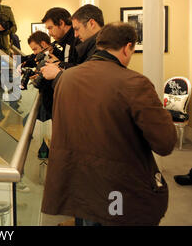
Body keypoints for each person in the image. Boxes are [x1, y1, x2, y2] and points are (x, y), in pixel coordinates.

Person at [41, 22, 177, 226]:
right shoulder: (134, 83)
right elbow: (165, 143)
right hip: (117, 189)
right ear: (127, 47)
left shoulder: (66, 78)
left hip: (78, 186)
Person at [41, 4, 104, 83]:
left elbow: (86, 78)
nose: (75, 35)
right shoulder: (94, 45)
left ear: (91, 24)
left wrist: (58, 70)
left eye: (77, 29)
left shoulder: (102, 48)